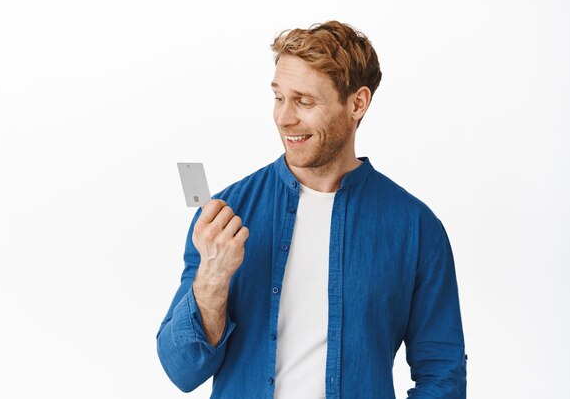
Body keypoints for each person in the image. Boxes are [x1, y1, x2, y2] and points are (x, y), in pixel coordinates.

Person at [156, 20, 467, 398]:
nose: (284, 117)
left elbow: (442, 376)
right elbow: (181, 370)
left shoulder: (415, 229)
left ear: (357, 103)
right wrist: (212, 279)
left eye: (304, 101)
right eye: (278, 97)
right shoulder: (226, 217)